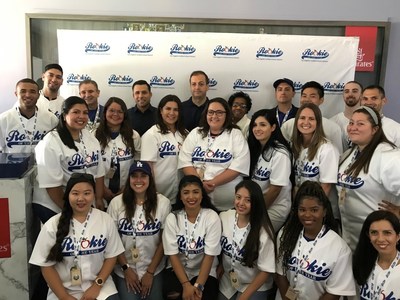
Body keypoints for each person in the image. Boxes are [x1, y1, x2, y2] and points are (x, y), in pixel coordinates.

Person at [29, 173, 125, 300]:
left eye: (87, 193)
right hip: (63, 289)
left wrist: (97, 286)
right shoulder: (52, 225)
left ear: (94, 195)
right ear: (67, 195)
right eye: (75, 193)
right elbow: (46, 266)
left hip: (100, 287)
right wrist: (64, 296)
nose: (81, 198)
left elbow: (111, 256)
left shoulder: (105, 220)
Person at [275, 181, 356, 300]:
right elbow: (280, 274)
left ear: (324, 211)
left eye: (314, 210)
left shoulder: (340, 248)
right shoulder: (286, 234)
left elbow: (334, 292)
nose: (307, 215)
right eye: (302, 209)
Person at [337, 106, 400, 252]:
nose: (353, 128)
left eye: (360, 124)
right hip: (351, 237)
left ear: (375, 129)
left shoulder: (389, 156)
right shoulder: (349, 154)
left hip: (380, 240)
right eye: (351, 123)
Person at [33, 96, 106, 224]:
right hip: (54, 204)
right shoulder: (50, 142)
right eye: (76, 112)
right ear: (65, 115)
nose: (81, 116)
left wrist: (99, 198)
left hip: (80, 202)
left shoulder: (90, 137)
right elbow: (52, 186)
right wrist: (70, 211)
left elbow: (98, 173)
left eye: (85, 113)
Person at [107, 160, 171, 300]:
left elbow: (163, 242)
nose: (138, 180)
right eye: (134, 176)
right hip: (125, 268)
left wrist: (150, 272)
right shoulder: (116, 203)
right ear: (129, 179)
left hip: (154, 267)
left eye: (143, 176)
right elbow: (113, 240)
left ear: (150, 179)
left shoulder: (163, 203)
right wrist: (126, 269)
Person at [178, 97, 250, 211]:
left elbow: (238, 166)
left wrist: (213, 183)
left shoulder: (235, 134)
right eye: (210, 112)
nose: (214, 116)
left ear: (227, 115)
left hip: (228, 205)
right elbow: (185, 161)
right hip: (198, 202)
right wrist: (199, 185)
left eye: (219, 112)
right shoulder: (196, 133)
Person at [162, 175, 221, 300]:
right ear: (180, 196)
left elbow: (209, 257)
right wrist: (186, 285)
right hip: (178, 270)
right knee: (174, 295)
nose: (191, 197)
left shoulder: (212, 217)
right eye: (186, 193)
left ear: (202, 194)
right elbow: (173, 255)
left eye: (195, 192)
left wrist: (198, 286)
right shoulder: (173, 218)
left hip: (204, 272)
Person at [218, 180, 276, 300]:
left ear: (256, 202)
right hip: (229, 281)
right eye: (238, 197)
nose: (241, 203)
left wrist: (244, 297)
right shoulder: (224, 217)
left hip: (254, 284)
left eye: (248, 200)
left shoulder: (264, 231)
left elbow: (265, 271)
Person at [248, 109, 293, 233]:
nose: (257, 129)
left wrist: (257, 213)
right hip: (256, 204)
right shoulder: (255, 148)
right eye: (255, 125)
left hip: (274, 207)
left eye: (263, 125)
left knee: (253, 234)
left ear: (273, 127)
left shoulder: (280, 153)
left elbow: (275, 190)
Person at [292, 103, 339, 219]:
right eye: (302, 118)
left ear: (318, 122)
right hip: (301, 209)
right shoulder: (295, 146)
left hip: (319, 212)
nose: (306, 122)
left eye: (311, 119)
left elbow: (326, 187)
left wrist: (313, 211)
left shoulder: (327, 149)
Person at [141, 94, 188, 202]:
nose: (172, 113)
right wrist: (152, 192)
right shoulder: (152, 134)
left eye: (176, 110)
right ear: (161, 111)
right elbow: (148, 166)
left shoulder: (185, 134)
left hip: (181, 192)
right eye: (168, 109)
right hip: (158, 192)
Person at [95, 97, 141, 203]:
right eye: (111, 110)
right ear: (105, 112)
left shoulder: (134, 136)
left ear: (125, 114)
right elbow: (91, 167)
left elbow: (137, 165)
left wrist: (127, 187)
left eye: (120, 111)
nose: (115, 114)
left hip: (127, 189)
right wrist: (102, 189)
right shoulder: (94, 135)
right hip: (100, 192)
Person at [281, 81, 343, 154]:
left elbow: (338, 156)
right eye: (304, 96)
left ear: (321, 100)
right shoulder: (288, 125)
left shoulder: (333, 128)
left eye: (312, 96)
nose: (307, 99)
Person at [0, 78, 58, 153]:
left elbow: (56, 148)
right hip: (12, 164)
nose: (27, 95)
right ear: (16, 94)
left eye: (32, 92)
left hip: (43, 164)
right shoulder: (3, 120)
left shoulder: (51, 119)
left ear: (38, 95)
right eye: (23, 91)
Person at [353, 210, 400, 299]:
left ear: (398, 236)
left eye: (387, 233)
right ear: (368, 236)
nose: (380, 239)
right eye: (374, 233)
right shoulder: (362, 262)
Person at [330, 81, 362, 151]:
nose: (350, 94)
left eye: (354, 91)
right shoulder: (332, 122)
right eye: (347, 91)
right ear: (343, 95)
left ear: (361, 95)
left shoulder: (368, 122)